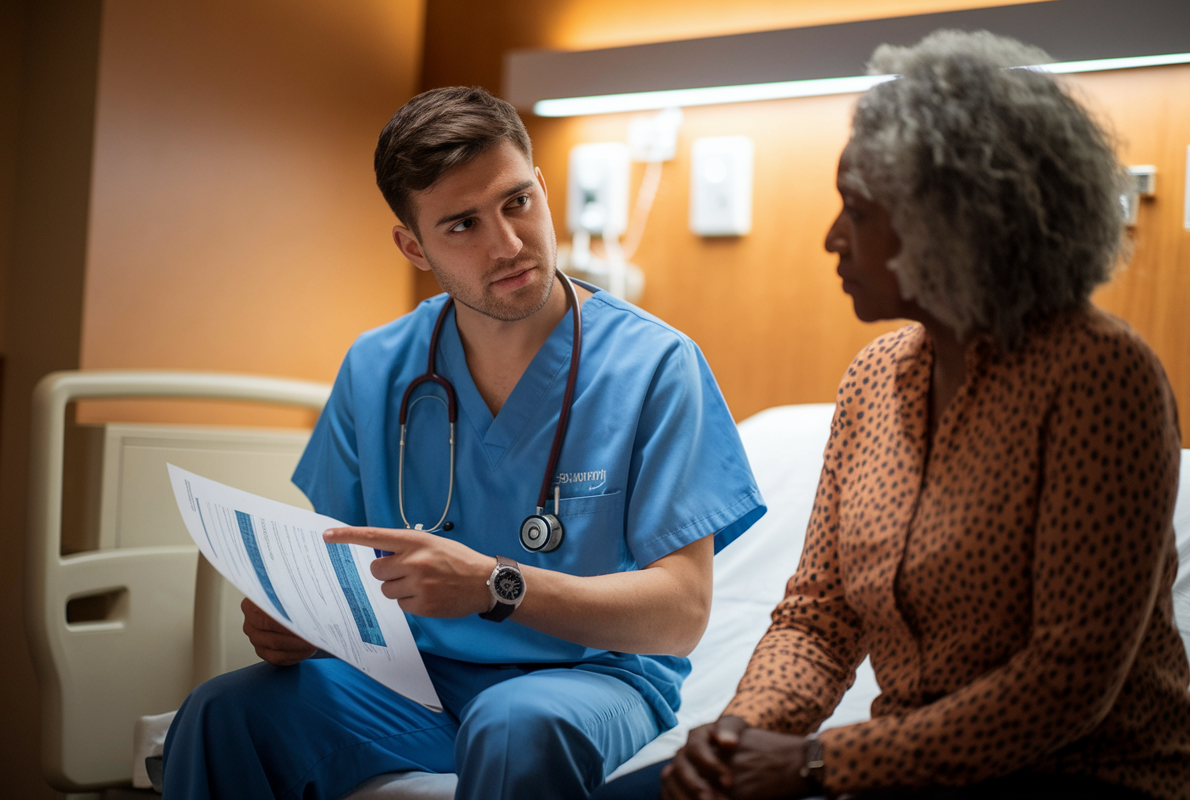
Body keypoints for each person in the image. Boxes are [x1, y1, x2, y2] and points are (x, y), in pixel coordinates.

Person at [594, 29, 1190, 800]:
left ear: (957, 225)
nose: (831, 238)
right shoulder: (874, 379)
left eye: (857, 211)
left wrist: (819, 764)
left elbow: (1068, 680)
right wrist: (743, 734)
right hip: (903, 770)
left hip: (1090, 772)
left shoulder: (1099, 376)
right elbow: (818, 619)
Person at [161, 86, 766, 800]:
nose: (507, 245)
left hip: (593, 677)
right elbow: (340, 563)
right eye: (461, 225)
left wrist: (494, 585)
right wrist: (298, 622)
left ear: (543, 188)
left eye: (517, 203)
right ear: (412, 246)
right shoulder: (379, 367)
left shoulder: (656, 366)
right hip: (412, 684)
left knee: (515, 725)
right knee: (221, 714)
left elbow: (681, 613)